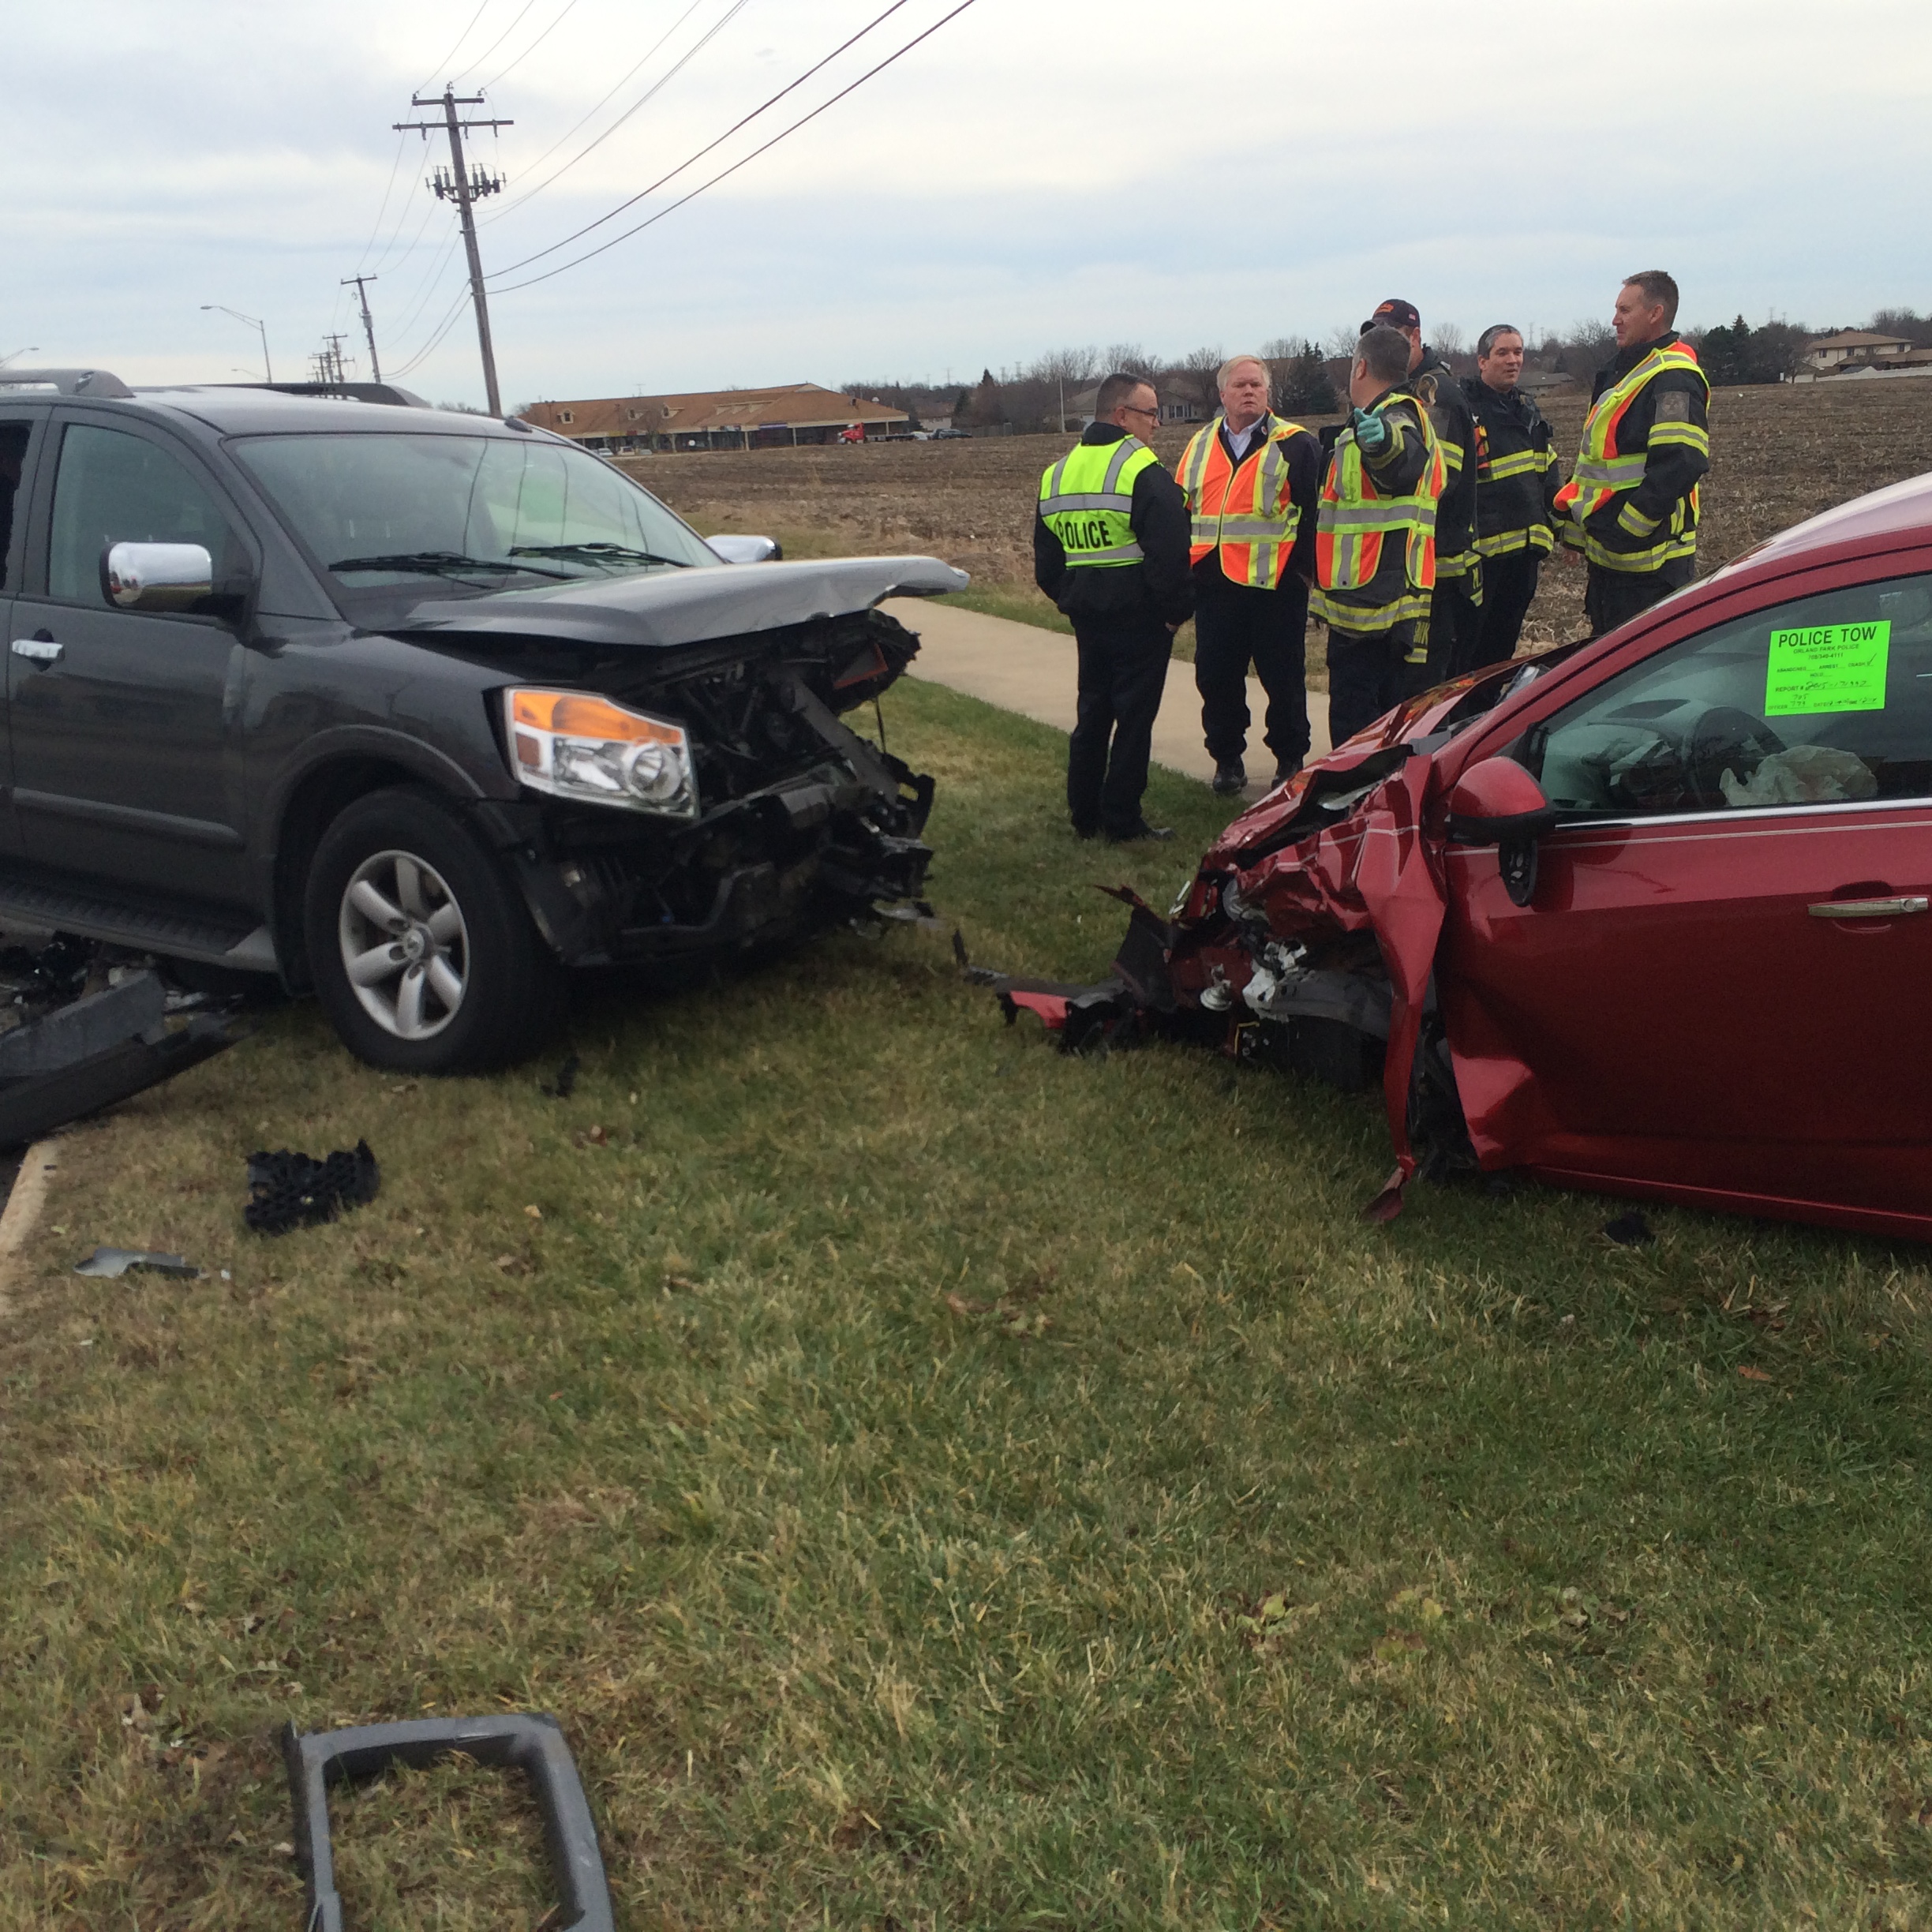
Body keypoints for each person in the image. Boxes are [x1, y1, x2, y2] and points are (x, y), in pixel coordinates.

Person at [1034, 371, 1194, 841]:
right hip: (1140, 618)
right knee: (1133, 720)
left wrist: (1072, 598)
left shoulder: (1056, 473)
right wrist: (1173, 612)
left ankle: (1084, 815)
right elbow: (1170, 554)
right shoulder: (1142, 470)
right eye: (1151, 413)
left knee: (1093, 713)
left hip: (1088, 616)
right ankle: (1123, 819)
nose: (1157, 425)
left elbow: (1047, 564)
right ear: (1122, 415)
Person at [1173, 354, 1322, 794]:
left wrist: (1303, 576)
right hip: (1216, 588)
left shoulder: (1297, 444)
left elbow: (1315, 515)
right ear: (1223, 395)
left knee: (1284, 679)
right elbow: (1184, 512)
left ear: (1268, 392)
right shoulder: (1199, 445)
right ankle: (1227, 760)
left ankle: (1290, 759)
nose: (1249, 392)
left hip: (1275, 587)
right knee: (1216, 678)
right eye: (1240, 386)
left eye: (1256, 385)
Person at [1553, 270, 1710, 636]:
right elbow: (1595, 464)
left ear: (1655, 314)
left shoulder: (1673, 377)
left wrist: (1628, 529)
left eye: (1625, 310)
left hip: (1649, 568)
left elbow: (1682, 462)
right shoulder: (1620, 371)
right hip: (1610, 560)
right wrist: (1582, 535)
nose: (1615, 320)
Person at [1311, 325, 1445, 746]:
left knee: (1357, 726)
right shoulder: (1407, 412)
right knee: (1386, 721)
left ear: (1361, 367)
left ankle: (1354, 805)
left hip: (1370, 605)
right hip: (1382, 595)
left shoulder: (1396, 417)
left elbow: (1400, 463)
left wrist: (1381, 443)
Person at [1362, 298, 1481, 689]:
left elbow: (1438, 480)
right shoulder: (1400, 391)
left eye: (1391, 335)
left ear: (1415, 337)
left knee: (1424, 686)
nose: (1382, 346)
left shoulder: (1434, 393)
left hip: (1438, 564)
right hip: (1413, 566)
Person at [1460, 323, 1560, 672]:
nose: (1512, 360)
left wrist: (1565, 530)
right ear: (1482, 361)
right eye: (1502, 352)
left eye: (1518, 352)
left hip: (1524, 557)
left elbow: (1548, 476)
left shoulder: (1527, 412)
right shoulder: (1465, 412)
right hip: (1482, 561)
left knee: (1500, 657)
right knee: (1469, 658)